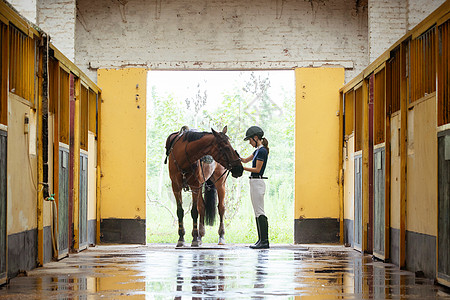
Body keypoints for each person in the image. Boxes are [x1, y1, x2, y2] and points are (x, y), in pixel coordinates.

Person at [241, 126, 270, 249]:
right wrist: (236, 157)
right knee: (257, 212)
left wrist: (241, 169)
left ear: (256, 138)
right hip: (254, 182)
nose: (249, 142)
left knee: (260, 211)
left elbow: (257, 169)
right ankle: (260, 240)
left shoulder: (262, 151)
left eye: (250, 140)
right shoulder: (257, 150)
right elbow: (245, 160)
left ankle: (264, 241)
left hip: (258, 182)